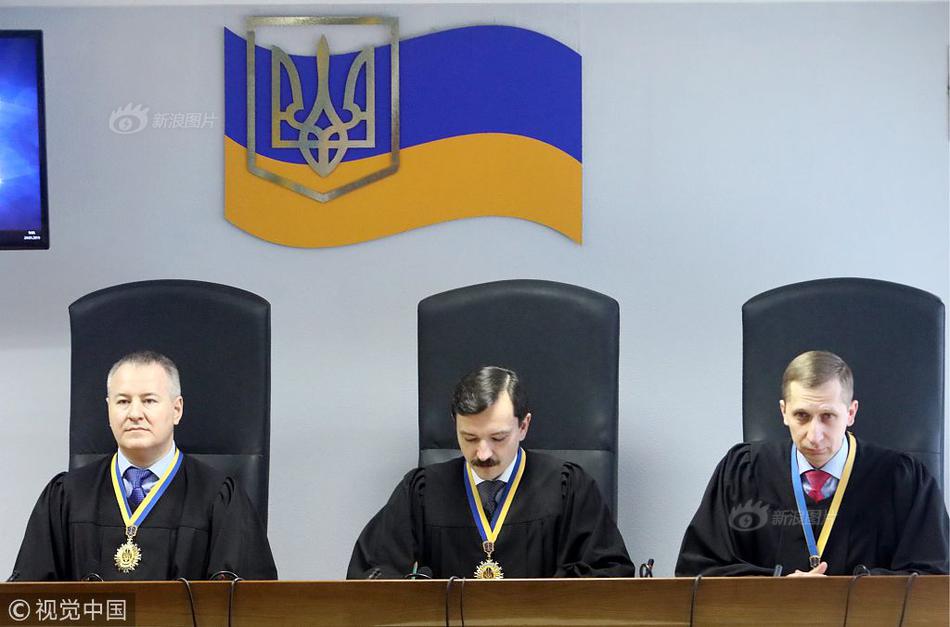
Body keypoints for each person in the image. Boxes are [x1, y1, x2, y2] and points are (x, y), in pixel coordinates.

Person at [676, 350, 949, 576]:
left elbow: (933, 577)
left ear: (851, 413)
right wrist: (778, 588)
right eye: (802, 416)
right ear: (784, 412)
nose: (814, 435)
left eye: (827, 416)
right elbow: (699, 569)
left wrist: (847, 592)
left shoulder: (902, 478)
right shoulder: (742, 471)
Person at [348, 366, 636, 579]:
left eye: (498, 438)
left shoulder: (569, 486)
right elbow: (372, 574)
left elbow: (609, 573)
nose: (483, 454)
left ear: (523, 426)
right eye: (469, 438)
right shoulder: (422, 492)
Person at [11, 351, 277, 581]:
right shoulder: (66, 496)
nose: (135, 414)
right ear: (108, 409)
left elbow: (246, 605)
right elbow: (28, 601)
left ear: (176, 409)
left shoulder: (218, 498)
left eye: (149, 400)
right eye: (123, 401)